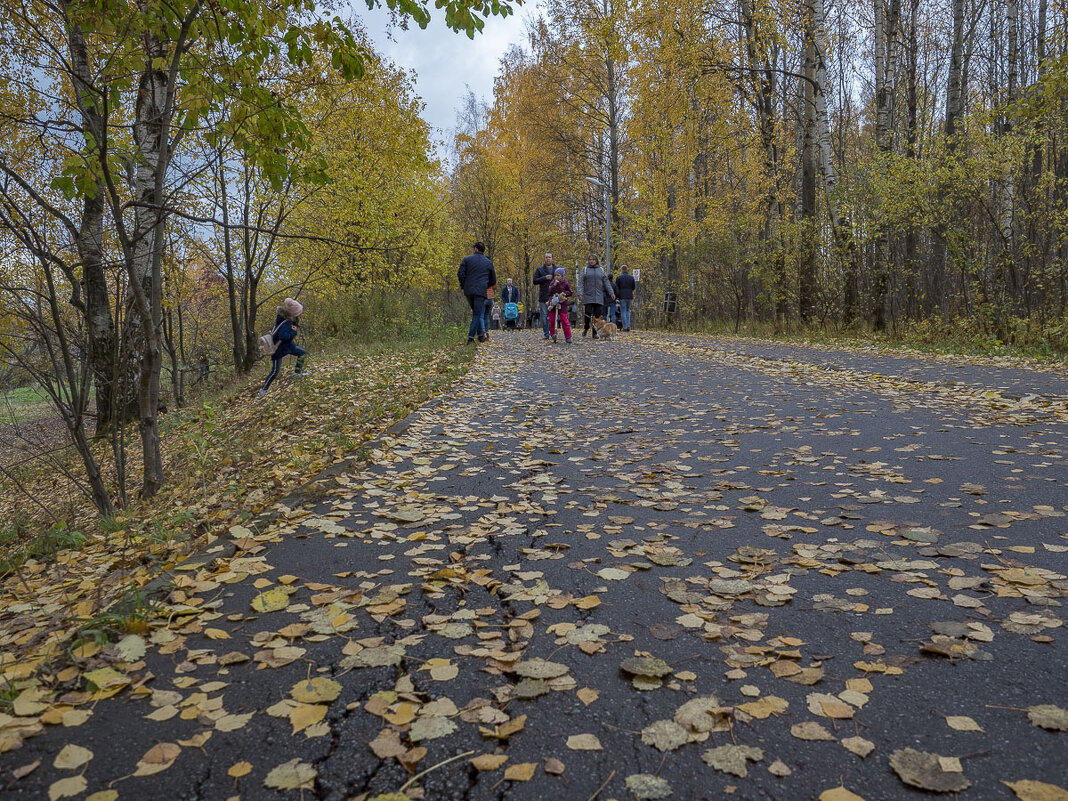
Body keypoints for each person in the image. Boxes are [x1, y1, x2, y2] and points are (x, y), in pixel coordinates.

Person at [258, 297, 307, 397]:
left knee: (302, 353)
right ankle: (263, 389)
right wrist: (293, 331)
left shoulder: (282, 318)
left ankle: (297, 373)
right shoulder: (287, 322)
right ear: (293, 313)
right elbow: (283, 336)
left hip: (288, 346)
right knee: (275, 371)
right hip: (278, 349)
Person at [458, 242, 497, 344]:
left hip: (468, 290)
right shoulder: (488, 262)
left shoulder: (467, 259)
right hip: (480, 291)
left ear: (475, 249)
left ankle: (480, 336)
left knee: (476, 312)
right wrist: (485, 284)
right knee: (477, 313)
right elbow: (493, 280)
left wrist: (463, 285)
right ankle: (470, 338)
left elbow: (460, 274)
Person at [579, 254, 615, 338]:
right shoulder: (585, 270)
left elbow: (606, 282)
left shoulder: (601, 270)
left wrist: (611, 292)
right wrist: (580, 293)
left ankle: (594, 333)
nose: (591, 261)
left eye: (593, 259)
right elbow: (580, 282)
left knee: (598, 315)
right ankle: (586, 327)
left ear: (596, 261)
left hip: (599, 295)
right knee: (588, 314)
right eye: (590, 259)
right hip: (588, 295)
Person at [546, 267, 574, 343]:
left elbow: (570, 292)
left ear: (562, 276)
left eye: (558, 275)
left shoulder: (565, 283)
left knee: (564, 319)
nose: (556, 277)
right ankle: (553, 333)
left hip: (563, 303)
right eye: (555, 275)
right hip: (553, 302)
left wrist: (564, 293)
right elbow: (549, 291)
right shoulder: (553, 282)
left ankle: (568, 336)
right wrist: (554, 285)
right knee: (552, 319)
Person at [532, 253, 555, 340]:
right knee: (544, 316)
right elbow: (534, 281)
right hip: (543, 296)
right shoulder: (540, 269)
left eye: (549, 257)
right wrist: (544, 278)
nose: (548, 259)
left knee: (553, 315)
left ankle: (553, 332)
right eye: (546, 257)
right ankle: (546, 333)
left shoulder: (556, 269)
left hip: (554, 297)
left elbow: (562, 280)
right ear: (544, 259)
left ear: (552, 259)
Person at [616, 265, 636, 331]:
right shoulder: (631, 277)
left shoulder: (619, 277)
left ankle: (624, 327)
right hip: (629, 295)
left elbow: (617, 287)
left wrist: (617, 295)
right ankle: (628, 326)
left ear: (622, 270)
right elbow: (633, 287)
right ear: (627, 269)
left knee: (623, 311)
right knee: (628, 310)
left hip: (622, 296)